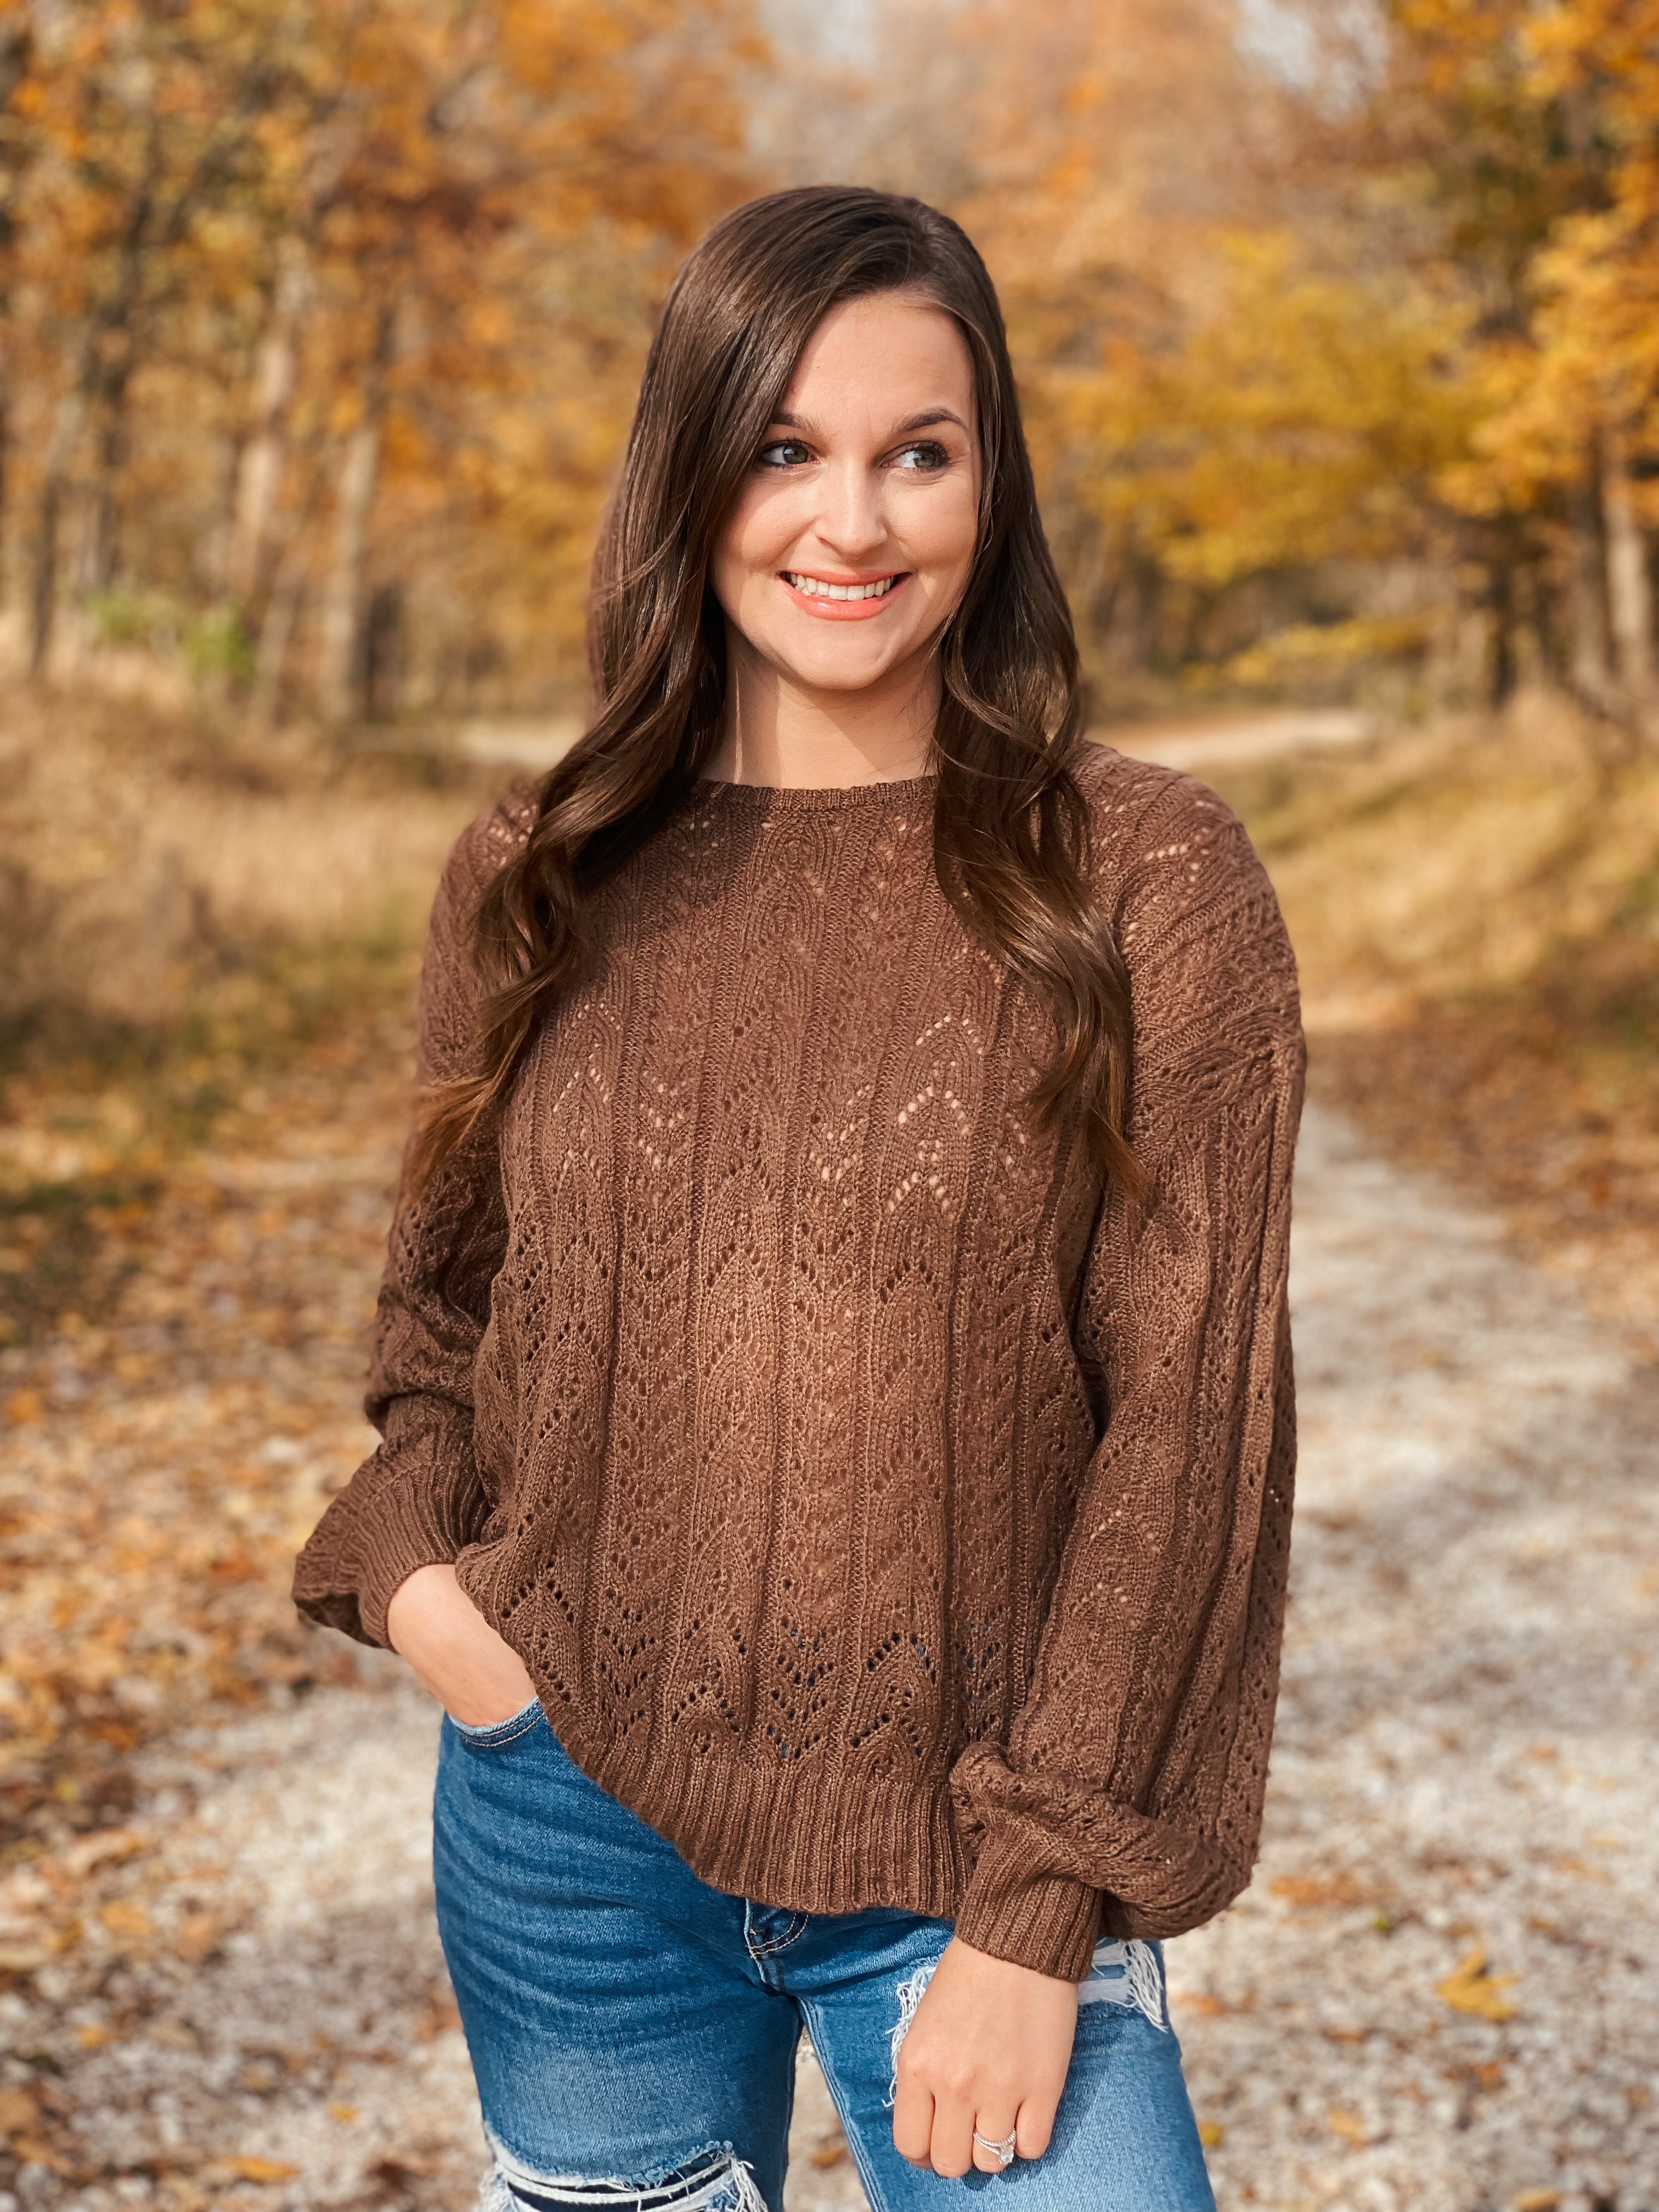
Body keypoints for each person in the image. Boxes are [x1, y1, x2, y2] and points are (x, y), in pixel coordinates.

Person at [294, 185, 1303, 2212]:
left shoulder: (1147, 879)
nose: (852, 521)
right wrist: (440, 1616)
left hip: (974, 1860)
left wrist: (1041, 1911)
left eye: (917, 453)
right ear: (692, 468)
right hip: (565, 1838)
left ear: (989, 486)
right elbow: (443, 1329)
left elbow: (1192, 1424)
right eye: (787, 449)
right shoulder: (538, 871)